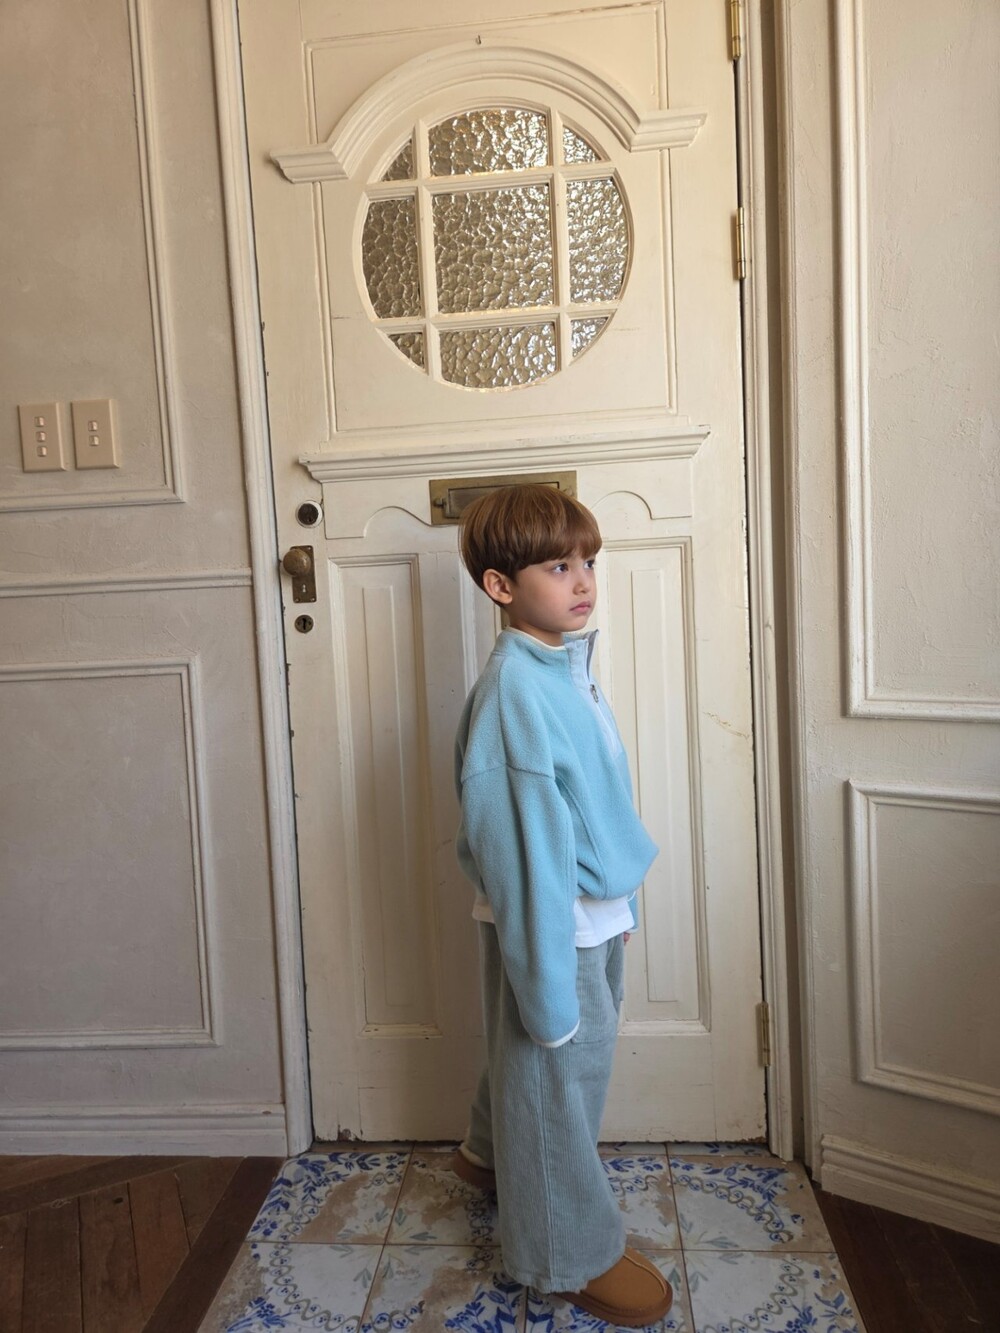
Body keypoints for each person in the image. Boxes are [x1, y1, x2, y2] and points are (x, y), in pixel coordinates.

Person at [451, 483, 672, 1327]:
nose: (582, 580)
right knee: (557, 1078)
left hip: (587, 910)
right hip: (556, 923)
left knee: (538, 1063)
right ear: (500, 586)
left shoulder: (562, 666)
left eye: (587, 561)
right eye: (556, 566)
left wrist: (619, 903)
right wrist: (545, 987)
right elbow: (522, 856)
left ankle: (484, 1155)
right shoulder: (518, 691)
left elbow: (593, 806)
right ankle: (563, 1253)